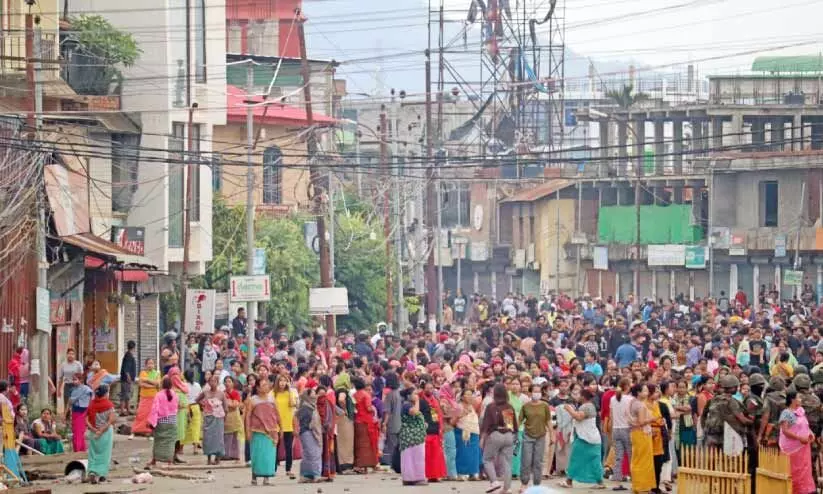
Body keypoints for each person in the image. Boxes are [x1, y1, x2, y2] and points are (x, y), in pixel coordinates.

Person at [560, 388, 605, 489]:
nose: (576, 396)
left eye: (578, 394)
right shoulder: (589, 405)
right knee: (594, 461)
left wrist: (569, 409)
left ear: (583, 397)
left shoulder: (587, 406)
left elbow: (579, 417)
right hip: (590, 438)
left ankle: (569, 481)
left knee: (576, 458)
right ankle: (600, 482)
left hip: (586, 438)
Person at [480, 383, 518, 494]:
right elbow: (510, 424)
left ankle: (494, 481)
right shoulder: (508, 406)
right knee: (507, 462)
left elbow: (486, 424)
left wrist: (482, 438)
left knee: (487, 459)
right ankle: (507, 488)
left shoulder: (491, 406)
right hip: (508, 435)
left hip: (495, 434)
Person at [778, 390, 816, 494]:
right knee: (793, 471)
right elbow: (785, 431)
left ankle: (804, 490)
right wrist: (799, 438)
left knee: (804, 470)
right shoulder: (786, 413)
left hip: (803, 446)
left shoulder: (801, 411)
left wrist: (810, 433)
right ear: (792, 400)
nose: (801, 399)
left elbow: (805, 426)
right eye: (798, 398)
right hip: (791, 449)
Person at [245, 376, 279, 486]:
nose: (266, 387)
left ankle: (266, 478)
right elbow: (248, 416)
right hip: (257, 431)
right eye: (263, 385)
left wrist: (281, 428)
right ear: (258, 388)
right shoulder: (253, 400)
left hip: (271, 431)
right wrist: (247, 431)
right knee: (257, 455)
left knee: (269, 455)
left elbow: (277, 414)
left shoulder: (272, 399)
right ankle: (254, 477)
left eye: (267, 384)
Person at [519, 384, 551, 489]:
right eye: (534, 391)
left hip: (541, 436)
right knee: (526, 460)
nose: (537, 394)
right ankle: (524, 483)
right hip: (528, 435)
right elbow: (519, 420)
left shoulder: (545, 406)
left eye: (539, 391)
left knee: (538, 461)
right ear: (530, 393)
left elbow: (548, 420)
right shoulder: (525, 406)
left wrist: (552, 435)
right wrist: (513, 431)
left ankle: (537, 484)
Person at [628, 384, 656, 494]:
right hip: (642, 433)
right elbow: (641, 422)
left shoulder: (633, 402)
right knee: (643, 460)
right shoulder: (639, 405)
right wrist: (652, 419)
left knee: (638, 459)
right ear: (638, 393)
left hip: (636, 433)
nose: (647, 393)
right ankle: (642, 486)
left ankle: (638, 486)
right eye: (645, 391)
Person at [86, 384, 116, 484]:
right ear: (105, 394)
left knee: (93, 453)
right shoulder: (109, 405)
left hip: (93, 432)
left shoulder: (91, 404)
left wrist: (94, 430)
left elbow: (86, 419)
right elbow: (111, 420)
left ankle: (92, 471)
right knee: (105, 454)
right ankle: (101, 474)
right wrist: (101, 430)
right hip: (105, 433)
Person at [399, 386, 427, 486]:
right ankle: (415, 478)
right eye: (415, 394)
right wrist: (417, 401)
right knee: (412, 458)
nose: (417, 396)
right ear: (409, 396)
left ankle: (410, 478)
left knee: (414, 457)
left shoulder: (410, 404)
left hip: (415, 436)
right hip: (410, 436)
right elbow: (415, 412)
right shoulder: (406, 405)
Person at [197, 373, 228, 465]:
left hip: (218, 419)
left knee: (219, 438)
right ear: (208, 382)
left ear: (217, 382)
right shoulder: (205, 392)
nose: (212, 383)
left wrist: (225, 418)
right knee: (208, 438)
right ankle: (209, 458)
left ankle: (218, 458)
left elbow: (226, 407)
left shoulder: (221, 393)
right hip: (208, 418)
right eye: (211, 381)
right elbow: (197, 400)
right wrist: (203, 405)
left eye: (214, 381)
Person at [148, 377, 178, 466]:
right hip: (172, 421)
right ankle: (169, 461)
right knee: (170, 442)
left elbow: (154, 409)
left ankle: (154, 460)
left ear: (162, 385)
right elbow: (176, 407)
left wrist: (152, 422)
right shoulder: (175, 394)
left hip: (161, 421)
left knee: (158, 441)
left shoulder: (158, 395)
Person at [353, 376, 380, 473]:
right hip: (367, 421)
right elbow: (368, 408)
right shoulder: (366, 395)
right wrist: (373, 410)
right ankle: (370, 464)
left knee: (359, 444)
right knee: (369, 444)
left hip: (357, 420)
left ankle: (359, 465)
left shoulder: (354, 395)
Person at [273, 373, 298, 478]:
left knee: (288, 448)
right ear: (277, 382)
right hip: (276, 424)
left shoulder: (290, 393)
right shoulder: (273, 393)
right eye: (281, 381)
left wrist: (290, 389)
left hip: (288, 424)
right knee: (275, 448)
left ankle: (288, 469)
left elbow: (293, 404)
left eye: (285, 381)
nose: (282, 383)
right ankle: (272, 469)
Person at [610, 378, 633, 490]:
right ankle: (635, 481)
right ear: (627, 386)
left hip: (616, 429)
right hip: (627, 429)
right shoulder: (630, 399)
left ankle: (617, 482)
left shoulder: (613, 398)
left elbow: (611, 416)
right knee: (631, 456)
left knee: (618, 457)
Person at [455, 387, 481, 480]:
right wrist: (461, 415)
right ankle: (460, 473)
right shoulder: (458, 406)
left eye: (471, 395)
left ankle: (472, 473)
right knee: (463, 453)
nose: (470, 396)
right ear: (462, 397)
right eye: (467, 394)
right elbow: (453, 421)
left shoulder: (472, 406)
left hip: (474, 432)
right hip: (462, 432)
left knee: (474, 454)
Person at [297, 388, 322, 482]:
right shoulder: (304, 407)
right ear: (307, 396)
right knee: (312, 453)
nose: (315, 395)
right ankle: (315, 475)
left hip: (312, 432)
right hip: (306, 432)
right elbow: (298, 420)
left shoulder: (312, 406)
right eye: (313, 393)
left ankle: (307, 475)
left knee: (310, 453)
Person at [132, 358, 161, 437]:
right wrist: (153, 385)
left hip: (153, 397)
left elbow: (158, 383)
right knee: (141, 414)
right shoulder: (143, 373)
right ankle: (139, 430)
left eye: (152, 363)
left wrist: (147, 380)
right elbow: (141, 384)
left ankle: (149, 430)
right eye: (149, 363)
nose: (150, 365)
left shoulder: (157, 373)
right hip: (144, 397)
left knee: (152, 414)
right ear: (145, 365)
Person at [334, 372, 356, 472]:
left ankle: (343, 463)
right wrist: (345, 410)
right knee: (345, 442)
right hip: (344, 420)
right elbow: (341, 399)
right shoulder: (342, 390)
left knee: (342, 442)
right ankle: (345, 463)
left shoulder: (338, 389)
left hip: (340, 419)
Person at [315, 383, 337, 481]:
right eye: (320, 394)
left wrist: (330, 426)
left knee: (327, 452)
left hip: (327, 431)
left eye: (324, 394)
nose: (322, 397)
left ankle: (327, 473)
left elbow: (336, 414)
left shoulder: (329, 404)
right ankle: (318, 472)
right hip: (316, 431)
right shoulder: (314, 404)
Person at [439, 381, 460, 480]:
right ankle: (449, 473)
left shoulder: (451, 399)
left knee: (450, 451)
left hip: (450, 427)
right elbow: (445, 414)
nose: (455, 389)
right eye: (453, 387)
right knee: (450, 451)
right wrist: (457, 414)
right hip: (446, 427)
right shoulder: (444, 400)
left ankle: (449, 473)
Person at [382, 371, 402, 467]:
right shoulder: (399, 393)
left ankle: (393, 463)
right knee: (398, 445)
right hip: (400, 422)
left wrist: (384, 423)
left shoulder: (389, 395)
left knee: (392, 445)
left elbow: (387, 411)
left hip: (392, 423)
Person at [68, 373, 92, 452]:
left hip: (82, 411)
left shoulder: (86, 389)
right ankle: (81, 450)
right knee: (77, 432)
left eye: (75, 379)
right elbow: (70, 402)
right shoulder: (73, 389)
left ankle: (78, 450)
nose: (74, 381)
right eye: (73, 380)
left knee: (78, 432)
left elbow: (90, 400)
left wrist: (89, 411)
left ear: (81, 380)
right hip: (75, 411)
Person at [58, 349, 84, 420]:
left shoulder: (78, 364)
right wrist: (59, 390)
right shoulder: (63, 364)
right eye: (69, 353)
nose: (71, 355)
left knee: (76, 403)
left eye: (72, 354)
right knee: (67, 404)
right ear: (66, 354)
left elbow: (82, 376)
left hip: (76, 386)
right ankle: (67, 421)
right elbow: (61, 378)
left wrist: (81, 387)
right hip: (67, 386)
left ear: (74, 355)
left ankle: (77, 419)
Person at [222, 376, 243, 461]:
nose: (227, 383)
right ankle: (226, 454)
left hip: (234, 416)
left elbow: (235, 405)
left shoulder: (235, 393)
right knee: (226, 436)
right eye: (226, 381)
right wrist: (229, 403)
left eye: (229, 381)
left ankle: (235, 455)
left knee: (235, 436)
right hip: (225, 417)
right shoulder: (222, 393)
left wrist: (228, 403)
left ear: (233, 383)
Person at [183, 369, 202, 453]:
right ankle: (195, 448)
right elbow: (200, 395)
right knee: (196, 427)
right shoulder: (197, 385)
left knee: (185, 427)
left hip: (186, 407)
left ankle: (181, 448)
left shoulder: (183, 385)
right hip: (196, 406)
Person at [119, 340, 137, 416]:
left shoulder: (128, 355)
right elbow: (126, 368)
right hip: (126, 379)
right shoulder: (129, 356)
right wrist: (129, 377)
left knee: (127, 395)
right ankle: (122, 411)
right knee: (124, 395)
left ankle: (128, 409)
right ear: (134, 347)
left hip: (126, 379)